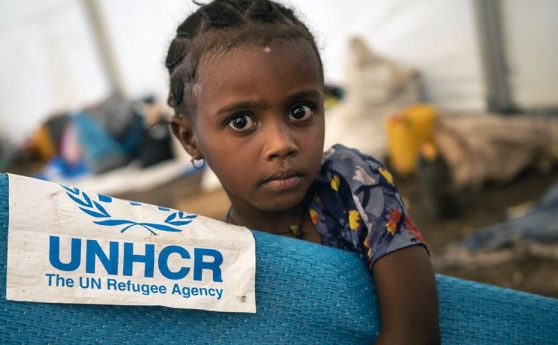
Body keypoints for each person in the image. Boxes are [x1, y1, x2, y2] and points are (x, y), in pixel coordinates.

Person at [166, 1, 440, 343]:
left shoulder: (357, 189)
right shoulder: (214, 260)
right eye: (241, 122)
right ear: (190, 138)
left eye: (300, 111)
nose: (281, 144)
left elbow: (414, 333)